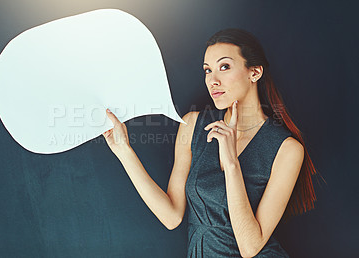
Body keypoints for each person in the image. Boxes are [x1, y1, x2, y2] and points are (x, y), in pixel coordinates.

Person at [102, 28, 318, 257]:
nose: (212, 80)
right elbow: (171, 217)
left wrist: (231, 163)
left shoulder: (287, 149)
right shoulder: (193, 125)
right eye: (207, 70)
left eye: (224, 67)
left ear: (254, 73)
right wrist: (123, 150)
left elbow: (249, 246)